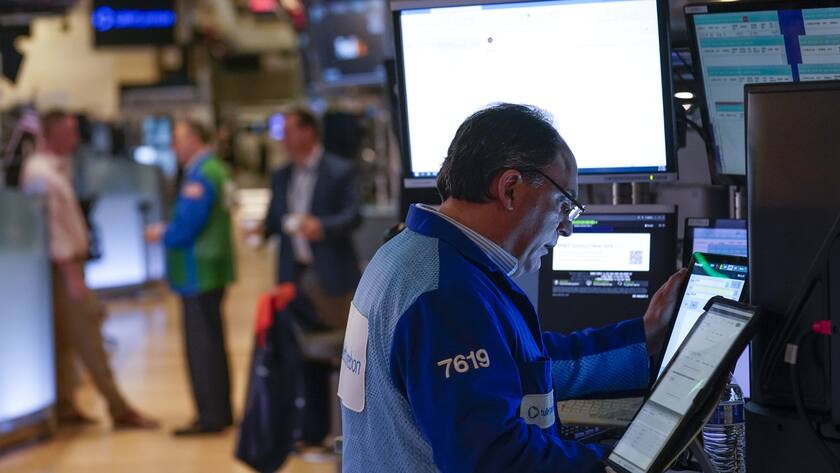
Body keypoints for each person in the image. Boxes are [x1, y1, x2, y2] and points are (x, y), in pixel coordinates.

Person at [338, 103, 686, 472]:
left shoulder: (407, 254)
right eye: (563, 204)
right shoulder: (445, 294)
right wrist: (630, 466)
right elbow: (496, 460)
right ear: (510, 189)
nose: (566, 227)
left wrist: (643, 335)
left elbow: (519, 365)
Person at [21, 110, 158, 430]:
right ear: (52, 134)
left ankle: (66, 406)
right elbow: (53, 230)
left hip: (70, 266)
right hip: (64, 270)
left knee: (65, 342)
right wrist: (71, 274)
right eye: (69, 131)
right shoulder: (42, 174)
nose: (76, 138)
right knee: (88, 336)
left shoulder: (57, 170)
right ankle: (118, 406)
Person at [261, 107, 361, 447]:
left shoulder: (339, 169)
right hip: (294, 276)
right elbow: (274, 219)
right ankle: (312, 431)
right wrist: (261, 230)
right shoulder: (282, 174)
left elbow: (352, 215)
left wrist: (322, 227)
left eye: (288, 131)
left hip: (331, 277)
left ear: (308, 132)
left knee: (341, 353)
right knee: (300, 353)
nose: (284, 140)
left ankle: (348, 431)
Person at [145, 119, 236, 437]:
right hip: (212, 268)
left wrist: (163, 233)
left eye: (178, 139)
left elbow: (189, 223)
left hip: (199, 269)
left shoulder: (202, 174)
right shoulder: (218, 170)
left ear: (195, 139)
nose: (174, 147)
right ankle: (220, 411)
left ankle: (210, 416)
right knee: (212, 342)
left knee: (202, 346)